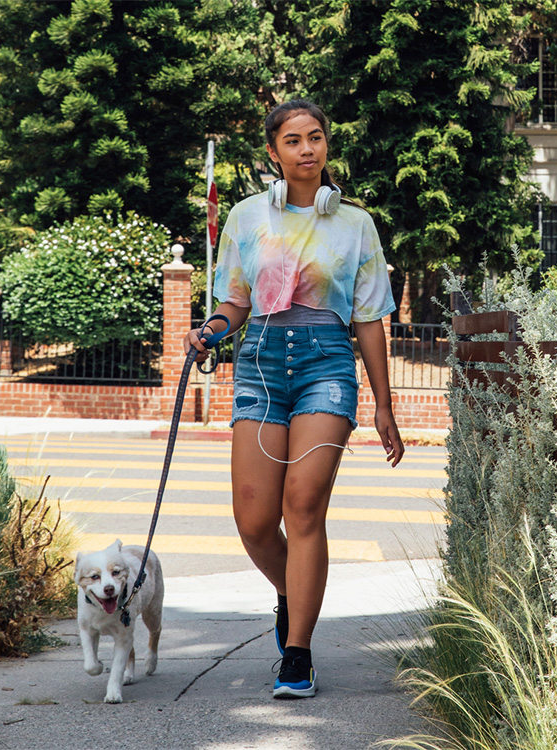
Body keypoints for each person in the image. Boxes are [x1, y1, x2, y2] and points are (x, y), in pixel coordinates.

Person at [184, 99, 404, 699]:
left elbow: (368, 320)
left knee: (303, 507)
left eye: (316, 138)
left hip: (326, 366)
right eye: (293, 140)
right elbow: (235, 301)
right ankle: (292, 593)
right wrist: (212, 330)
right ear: (272, 153)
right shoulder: (247, 217)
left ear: (327, 145)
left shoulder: (356, 224)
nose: (307, 149)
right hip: (259, 365)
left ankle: (298, 655)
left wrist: (384, 405)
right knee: (255, 521)